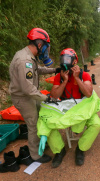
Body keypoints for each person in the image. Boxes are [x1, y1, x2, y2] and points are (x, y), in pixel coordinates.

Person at [37, 48, 100, 168]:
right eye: (62, 59)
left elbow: (88, 93)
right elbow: (54, 95)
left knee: (97, 123)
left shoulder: (84, 75)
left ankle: (81, 148)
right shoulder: (59, 76)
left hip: (82, 106)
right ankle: (59, 150)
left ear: (74, 62)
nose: (64, 62)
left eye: (67, 59)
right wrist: (65, 80)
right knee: (47, 122)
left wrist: (77, 78)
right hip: (65, 106)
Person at [9, 28, 60, 163]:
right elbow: (28, 89)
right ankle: (36, 155)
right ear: (39, 45)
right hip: (24, 97)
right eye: (46, 46)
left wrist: (55, 70)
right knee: (33, 124)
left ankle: (41, 143)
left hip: (29, 95)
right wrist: (48, 98)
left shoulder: (29, 56)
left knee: (41, 116)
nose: (46, 50)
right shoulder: (24, 60)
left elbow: (38, 70)